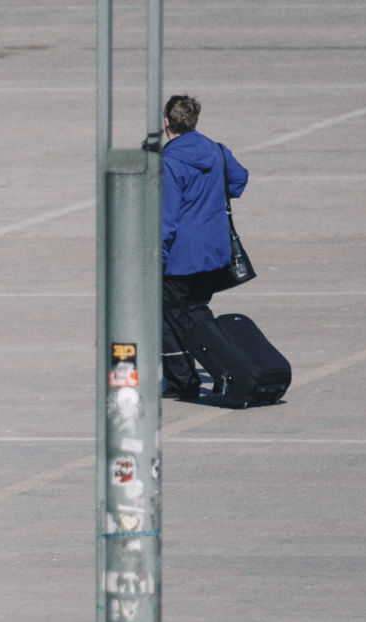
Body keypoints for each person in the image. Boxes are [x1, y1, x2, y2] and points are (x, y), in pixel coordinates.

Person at [159, 94, 249, 398]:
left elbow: (166, 218)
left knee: (173, 316)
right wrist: (208, 196)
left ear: (167, 123)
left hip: (181, 258)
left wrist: (154, 259)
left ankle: (187, 379)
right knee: (195, 310)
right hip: (215, 253)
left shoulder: (169, 162)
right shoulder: (216, 150)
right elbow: (239, 179)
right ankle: (226, 366)